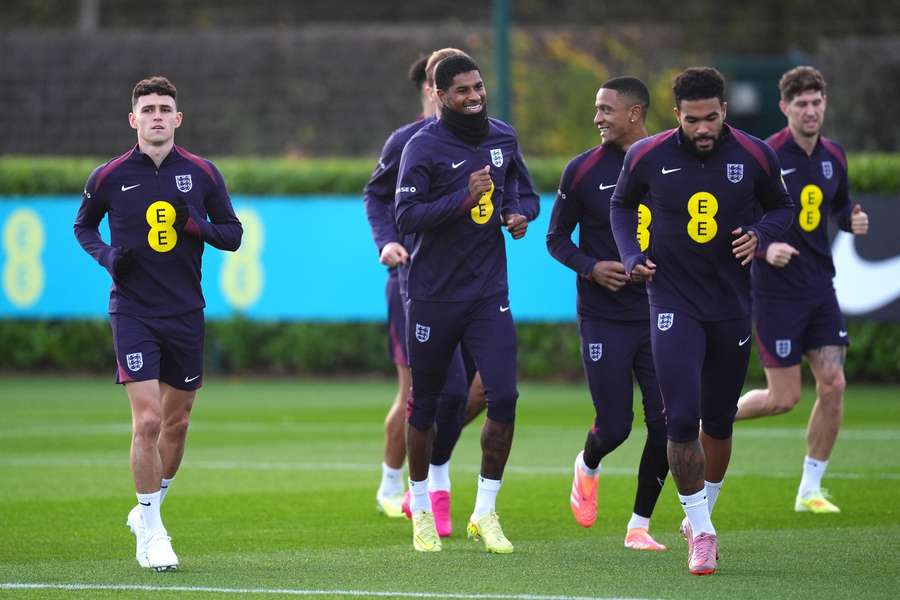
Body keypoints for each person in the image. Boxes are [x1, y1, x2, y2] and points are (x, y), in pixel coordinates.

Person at [610, 67, 793, 575]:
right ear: (677, 116)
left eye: (712, 117)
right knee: (682, 418)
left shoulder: (756, 154)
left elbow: (783, 207)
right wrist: (630, 256)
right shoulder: (647, 155)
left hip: (732, 305)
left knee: (718, 419)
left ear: (724, 111)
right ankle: (703, 532)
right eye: (693, 120)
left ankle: (701, 512)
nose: (703, 128)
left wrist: (759, 232)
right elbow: (622, 206)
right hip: (672, 302)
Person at [74, 76, 243, 571]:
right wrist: (106, 255)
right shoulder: (108, 176)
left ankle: (147, 512)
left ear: (178, 118)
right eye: (147, 108)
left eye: (165, 108)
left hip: (186, 312)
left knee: (177, 421)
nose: (156, 116)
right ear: (133, 119)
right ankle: (152, 533)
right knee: (146, 420)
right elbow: (83, 224)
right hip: (133, 310)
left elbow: (233, 235)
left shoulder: (203, 173)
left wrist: (197, 226)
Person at [395, 54, 528, 553]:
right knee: (426, 403)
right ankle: (422, 508)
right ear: (440, 95)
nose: (474, 97)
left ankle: (486, 512)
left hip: (488, 292)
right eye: (462, 91)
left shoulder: (503, 137)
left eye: (478, 87)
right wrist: (463, 200)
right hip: (432, 294)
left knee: (505, 397)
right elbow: (406, 215)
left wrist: (516, 213)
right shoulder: (421, 146)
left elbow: (522, 190)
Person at [735, 66, 869, 513]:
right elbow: (740, 217)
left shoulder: (834, 154)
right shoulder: (767, 155)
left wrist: (852, 218)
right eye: (801, 104)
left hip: (819, 287)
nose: (810, 111)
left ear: (824, 104)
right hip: (775, 292)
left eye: (816, 102)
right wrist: (764, 247)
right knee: (783, 399)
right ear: (784, 108)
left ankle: (810, 489)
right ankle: (711, 418)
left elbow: (839, 203)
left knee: (833, 384)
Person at [547, 76, 669, 552]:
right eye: (597, 109)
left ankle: (638, 526)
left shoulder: (669, 164)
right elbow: (555, 239)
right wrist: (592, 267)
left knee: (665, 425)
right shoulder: (581, 171)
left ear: (635, 113)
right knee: (615, 425)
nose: (597, 117)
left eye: (605, 109)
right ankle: (587, 465)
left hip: (661, 314)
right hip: (603, 316)